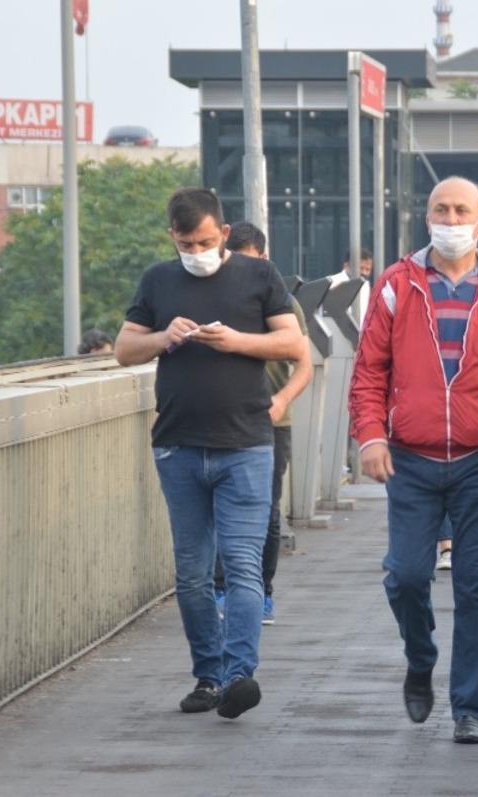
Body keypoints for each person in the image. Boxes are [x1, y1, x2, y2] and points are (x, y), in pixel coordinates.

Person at [350, 175, 478, 745]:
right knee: (406, 576)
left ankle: (469, 705)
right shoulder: (396, 285)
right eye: (439, 209)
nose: (449, 220)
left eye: (461, 211)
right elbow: (369, 372)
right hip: (411, 458)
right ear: (425, 216)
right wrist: (371, 437)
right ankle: (420, 653)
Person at [113, 188, 303, 719]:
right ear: (172, 237)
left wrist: (236, 341)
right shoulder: (158, 280)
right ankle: (209, 675)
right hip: (177, 446)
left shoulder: (259, 277)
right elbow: (124, 350)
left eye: (204, 241)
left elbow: (293, 347)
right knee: (192, 575)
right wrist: (162, 338)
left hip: (244, 444)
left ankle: (239, 674)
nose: (195, 250)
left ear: (223, 233)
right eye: (185, 242)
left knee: (242, 566)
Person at [211, 221, 313, 626]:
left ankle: (262, 591)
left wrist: (281, 400)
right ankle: (222, 588)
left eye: (250, 263)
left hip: (271, 421)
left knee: (266, 512)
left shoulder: (283, 303)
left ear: (264, 260)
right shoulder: (212, 297)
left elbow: (304, 365)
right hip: (220, 419)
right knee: (220, 509)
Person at [329, 248, 374, 323]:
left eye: (368, 269)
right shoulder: (333, 282)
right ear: (346, 266)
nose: (364, 273)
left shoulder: (366, 285)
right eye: (361, 268)